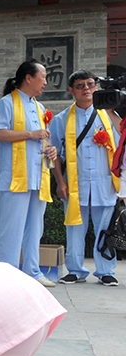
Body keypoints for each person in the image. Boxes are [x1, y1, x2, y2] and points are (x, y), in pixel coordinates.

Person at [50, 70, 121, 286]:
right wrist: (60, 182)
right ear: (71, 90)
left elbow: (121, 148)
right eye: (80, 85)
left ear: (97, 87)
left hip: (104, 183)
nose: (86, 89)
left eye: (90, 84)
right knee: (74, 228)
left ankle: (106, 271)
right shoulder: (61, 119)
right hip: (74, 184)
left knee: (105, 228)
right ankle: (75, 270)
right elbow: (54, 154)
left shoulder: (108, 116)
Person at [0, 60, 58, 288]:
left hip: (37, 175)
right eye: (43, 77)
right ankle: (7, 272)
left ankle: (32, 270)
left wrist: (50, 148)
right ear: (28, 78)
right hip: (14, 177)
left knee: (35, 227)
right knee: (11, 227)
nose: (45, 83)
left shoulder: (39, 108)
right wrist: (30, 133)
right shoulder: (6, 103)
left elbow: (42, 138)